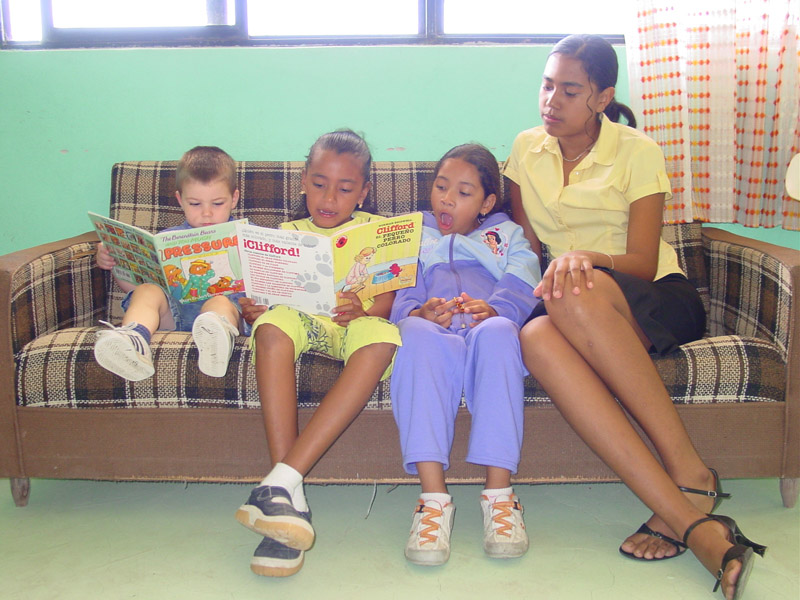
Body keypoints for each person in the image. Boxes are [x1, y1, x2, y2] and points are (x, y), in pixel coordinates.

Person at [503, 34, 766, 599]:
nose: (551, 100)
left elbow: (644, 262)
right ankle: (687, 516)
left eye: (570, 90)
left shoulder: (637, 151)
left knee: (570, 292)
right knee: (536, 338)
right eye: (547, 85)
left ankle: (692, 472)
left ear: (602, 97)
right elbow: (523, 248)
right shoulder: (526, 149)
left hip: (654, 297)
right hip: (572, 301)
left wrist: (586, 257)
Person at [234, 130, 400, 577]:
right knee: (270, 325)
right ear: (303, 180)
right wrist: (255, 309)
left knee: (382, 337)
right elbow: (266, 304)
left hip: (351, 329)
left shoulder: (379, 236)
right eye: (320, 182)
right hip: (300, 324)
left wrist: (359, 307)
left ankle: (281, 487)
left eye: (346, 189)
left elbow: (384, 308)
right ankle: (287, 501)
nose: (330, 197)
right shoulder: (284, 234)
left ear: (363, 192)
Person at [389, 143, 541, 566]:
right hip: (434, 330)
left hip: (483, 325)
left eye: (463, 191)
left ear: (487, 202)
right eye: (440, 187)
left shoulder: (507, 235)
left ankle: (500, 497)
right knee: (413, 335)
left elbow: (525, 280)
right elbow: (399, 284)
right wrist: (417, 311)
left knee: (498, 334)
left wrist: (497, 308)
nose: (447, 199)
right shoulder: (412, 232)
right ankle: (433, 501)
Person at [94, 146, 245, 380]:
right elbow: (132, 289)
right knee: (146, 290)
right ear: (180, 199)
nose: (206, 214)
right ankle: (134, 339)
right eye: (195, 204)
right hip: (172, 317)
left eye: (217, 204)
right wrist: (116, 261)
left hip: (226, 315)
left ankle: (216, 341)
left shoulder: (247, 235)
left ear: (234, 198)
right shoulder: (166, 240)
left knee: (219, 302)